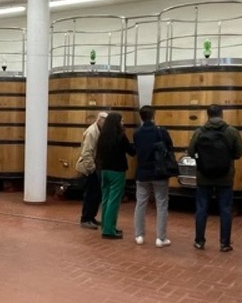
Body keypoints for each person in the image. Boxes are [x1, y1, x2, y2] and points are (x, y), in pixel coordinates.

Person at [186, 104, 242, 252]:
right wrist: (227, 159)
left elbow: (191, 152)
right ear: (221, 114)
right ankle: (224, 244)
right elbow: (239, 152)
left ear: (208, 115)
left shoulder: (199, 132)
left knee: (201, 209)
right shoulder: (232, 131)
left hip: (203, 176)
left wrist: (202, 160)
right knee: (225, 210)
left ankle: (199, 241)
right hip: (225, 176)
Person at [131, 105, 177, 247]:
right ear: (153, 116)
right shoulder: (161, 132)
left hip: (142, 173)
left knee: (140, 204)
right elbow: (169, 147)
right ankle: (161, 238)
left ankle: (139, 235)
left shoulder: (137, 133)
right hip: (159, 173)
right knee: (161, 204)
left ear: (141, 117)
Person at [94, 111, 133, 239]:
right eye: (121, 121)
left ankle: (106, 225)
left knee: (105, 198)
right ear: (117, 123)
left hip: (104, 170)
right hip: (117, 171)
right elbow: (131, 151)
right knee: (114, 200)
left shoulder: (102, 136)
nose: (123, 123)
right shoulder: (120, 136)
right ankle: (109, 230)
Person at [74, 109, 108, 229]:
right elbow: (86, 152)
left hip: (95, 167)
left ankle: (91, 217)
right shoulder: (92, 132)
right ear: (99, 120)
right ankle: (85, 219)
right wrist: (91, 168)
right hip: (90, 169)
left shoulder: (99, 130)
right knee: (90, 194)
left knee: (96, 194)